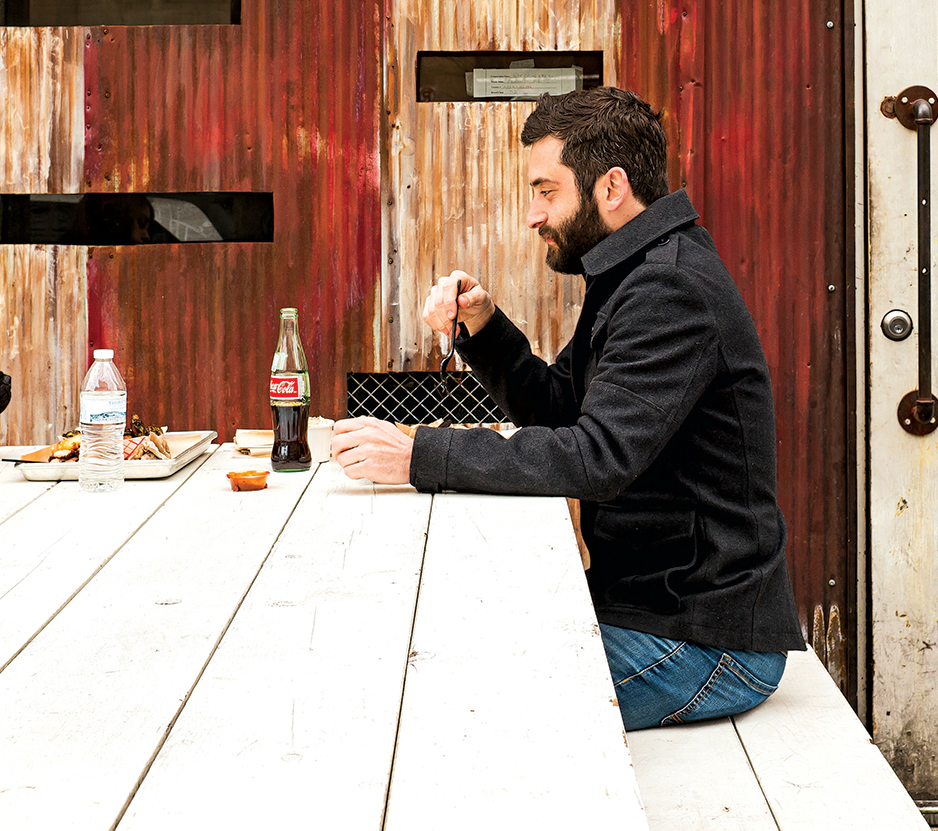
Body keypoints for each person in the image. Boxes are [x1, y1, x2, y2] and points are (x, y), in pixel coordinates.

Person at [331, 87, 805, 729]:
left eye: (546, 191)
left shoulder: (669, 286)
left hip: (703, 644)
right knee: (426, 646)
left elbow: (595, 458)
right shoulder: (633, 271)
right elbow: (565, 412)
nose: (532, 215)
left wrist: (419, 453)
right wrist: (487, 330)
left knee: (442, 696)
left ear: (612, 188)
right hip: (647, 612)